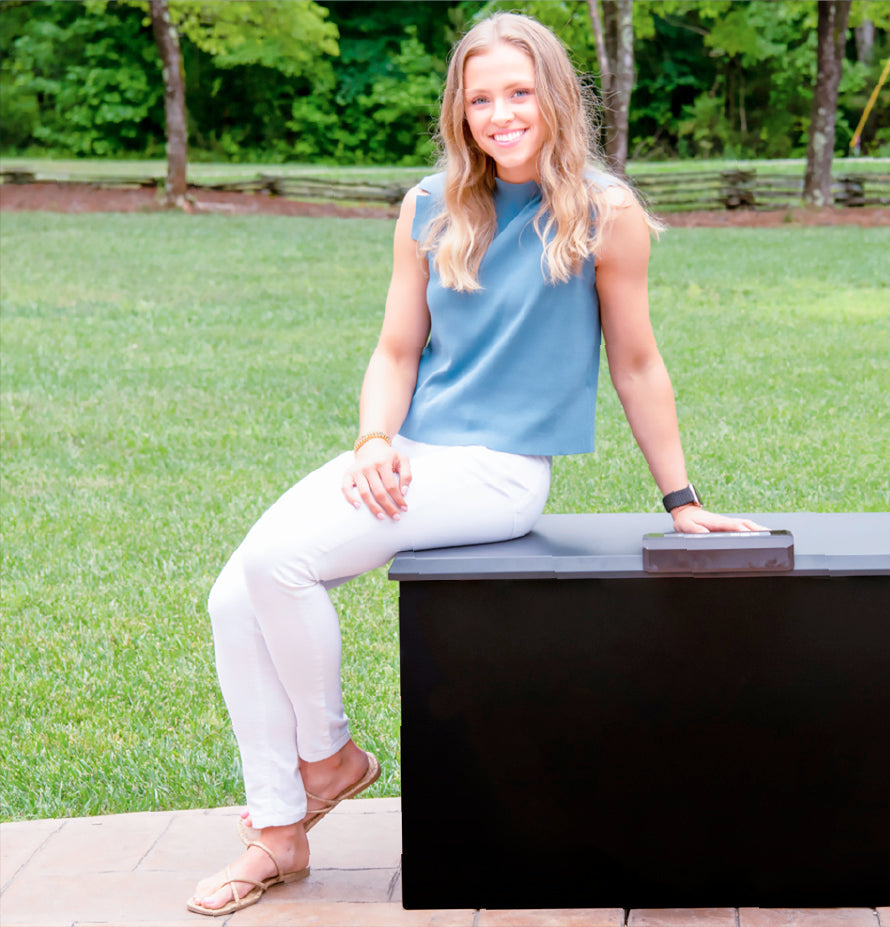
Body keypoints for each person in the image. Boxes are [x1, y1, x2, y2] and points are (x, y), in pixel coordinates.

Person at [187, 12, 762, 916]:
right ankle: (281, 829)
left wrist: (681, 498)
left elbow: (638, 362)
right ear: (459, 109)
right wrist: (374, 441)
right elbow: (394, 350)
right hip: (411, 450)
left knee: (277, 564)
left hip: (499, 471)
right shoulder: (428, 205)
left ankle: (331, 756)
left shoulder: (604, 213)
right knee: (234, 595)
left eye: (519, 93)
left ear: (556, 99)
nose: (500, 113)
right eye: (480, 96)